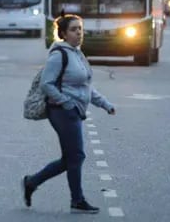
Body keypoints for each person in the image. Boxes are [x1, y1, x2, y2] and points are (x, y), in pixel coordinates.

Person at [22, 14, 116, 214]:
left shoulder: (78, 54)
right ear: (63, 34)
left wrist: (105, 104)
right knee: (77, 155)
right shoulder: (59, 54)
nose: (79, 33)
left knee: (70, 158)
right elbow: (47, 84)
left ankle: (32, 182)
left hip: (73, 111)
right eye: (74, 29)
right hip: (62, 112)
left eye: (80, 29)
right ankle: (77, 199)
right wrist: (66, 103)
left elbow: (86, 87)